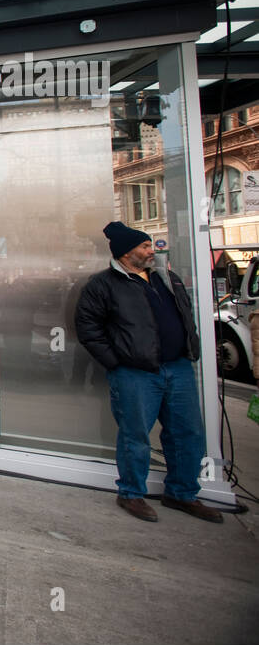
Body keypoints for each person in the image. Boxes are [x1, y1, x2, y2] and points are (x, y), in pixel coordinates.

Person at [74, 221, 221, 524]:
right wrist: (116, 362)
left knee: (187, 433)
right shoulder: (103, 285)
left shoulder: (167, 278)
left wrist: (188, 346)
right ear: (127, 253)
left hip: (178, 367)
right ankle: (131, 493)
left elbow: (184, 314)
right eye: (144, 246)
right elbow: (88, 327)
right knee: (136, 435)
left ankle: (182, 493)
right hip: (135, 373)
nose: (150, 250)